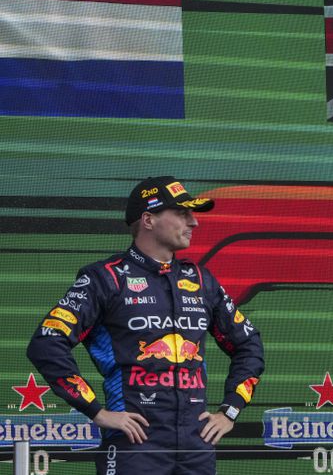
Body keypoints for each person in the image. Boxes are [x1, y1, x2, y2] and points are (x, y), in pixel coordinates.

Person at [27, 176, 265, 475]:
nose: (194, 223)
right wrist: (97, 412)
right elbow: (47, 342)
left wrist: (230, 410)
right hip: (134, 444)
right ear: (148, 220)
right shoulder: (106, 278)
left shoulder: (201, 281)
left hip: (195, 444)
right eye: (182, 213)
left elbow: (249, 344)